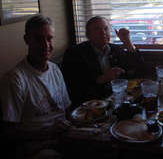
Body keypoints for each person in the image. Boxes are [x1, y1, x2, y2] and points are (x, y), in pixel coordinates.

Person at [0, 15, 72, 158]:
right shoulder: (15, 78)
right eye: (39, 39)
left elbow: (67, 109)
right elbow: (8, 132)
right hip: (39, 148)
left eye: (49, 38)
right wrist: (47, 132)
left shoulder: (55, 70)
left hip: (66, 140)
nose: (46, 45)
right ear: (27, 40)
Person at [62, 16, 145, 109]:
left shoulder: (116, 49)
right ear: (87, 35)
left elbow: (138, 70)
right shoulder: (75, 53)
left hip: (116, 100)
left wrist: (128, 43)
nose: (103, 32)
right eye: (97, 29)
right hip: (90, 105)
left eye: (106, 28)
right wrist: (101, 79)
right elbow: (71, 86)